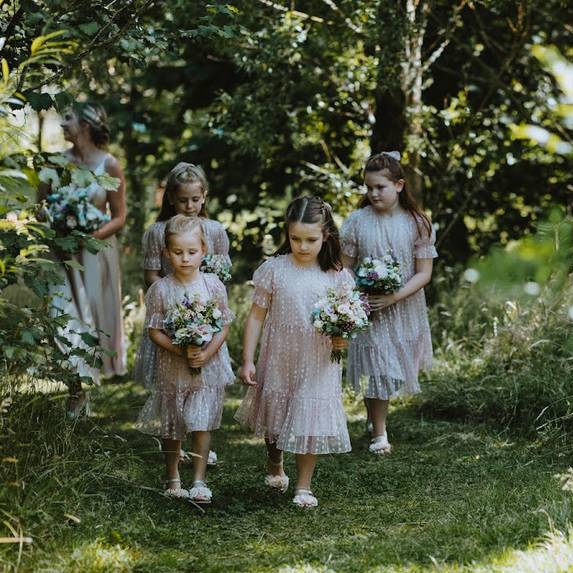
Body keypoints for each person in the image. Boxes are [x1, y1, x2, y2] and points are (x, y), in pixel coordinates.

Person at [236, 196, 353, 508]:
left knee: (308, 415)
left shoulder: (336, 275)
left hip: (318, 357)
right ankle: (275, 459)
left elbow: (347, 317)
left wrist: (343, 338)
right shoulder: (275, 270)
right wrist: (247, 358)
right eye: (295, 238)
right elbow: (257, 315)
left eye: (311, 240)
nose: (302, 246)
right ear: (286, 234)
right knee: (276, 414)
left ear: (326, 236)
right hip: (281, 354)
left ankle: (303, 485)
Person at [339, 151, 437, 455]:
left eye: (380, 187)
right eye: (368, 188)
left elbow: (424, 273)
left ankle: (374, 416)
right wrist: (361, 290)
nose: (373, 193)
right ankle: (379, 433)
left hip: (404, 305)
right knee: (378, 364)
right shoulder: (357, 222)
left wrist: (393, 295)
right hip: (370, 307)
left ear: (399, 185)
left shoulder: (417, 223)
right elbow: (345, 267)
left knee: (392, 370)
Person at [135, 162, 230, 466]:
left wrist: (203, 313)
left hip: (204, 310)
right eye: (182, 200)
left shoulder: (214, 230)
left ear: (204, 197)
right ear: (171, 199)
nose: (189, 206)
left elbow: (220, 271)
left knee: (202, 383)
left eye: (195, 199)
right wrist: (169, 305)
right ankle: (178, 442)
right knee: (175, 385)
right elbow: (151, 274)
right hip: (169, 311)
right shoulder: (157, 232)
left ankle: (200, 439)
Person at [50, 102, 128, 414]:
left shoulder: (109, 164)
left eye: (67, 118)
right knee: (63, 315)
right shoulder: (57, 163)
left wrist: (90, 236)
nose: (62, 124)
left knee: (92, 318)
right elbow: (44, 206)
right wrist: (57, 228)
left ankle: (88, 383)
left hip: (96, 252)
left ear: (85, 125)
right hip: (63, 253)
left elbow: (120, 216)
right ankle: (75, 390)